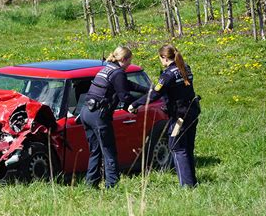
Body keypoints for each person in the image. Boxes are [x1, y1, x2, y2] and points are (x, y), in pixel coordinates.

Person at [128, 45, 201, 187]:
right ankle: (192, 181)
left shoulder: (168, 75)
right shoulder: (185, 67)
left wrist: (136, 104)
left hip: (180, 117)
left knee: (176, 147)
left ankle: (187, 185)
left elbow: (156, 93)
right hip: (192, 112)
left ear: (164, 57)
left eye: (160, 58)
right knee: (187, 147)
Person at [81, 46, 149, 188]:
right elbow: (124, 96)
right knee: (109, 151)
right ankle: (112, 186)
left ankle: (90, 184)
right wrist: (134, 106)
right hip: (98, 115)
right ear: (123, 60)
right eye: (129, 62)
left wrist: (147, 89)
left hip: (86, 112)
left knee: (95, 151)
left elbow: (126, 84)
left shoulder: (107, 68)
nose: (129, 65)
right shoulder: (118, 72)